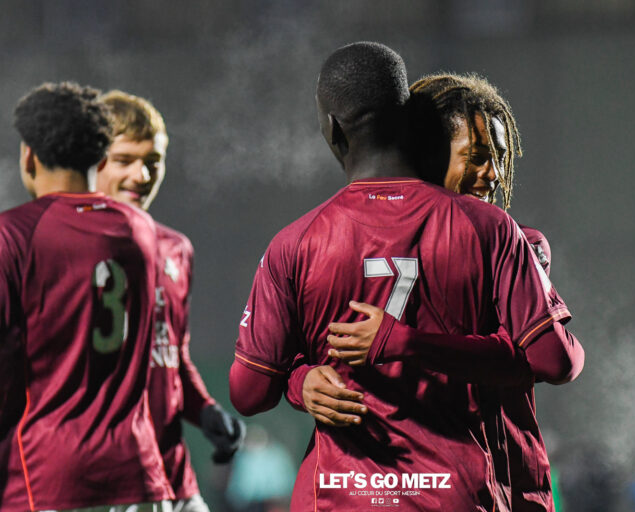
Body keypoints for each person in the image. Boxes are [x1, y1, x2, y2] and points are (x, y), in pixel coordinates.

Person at [229, 42, 573, 511]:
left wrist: (399, 344)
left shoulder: (298, 242)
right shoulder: (491, 233)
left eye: (499, 156)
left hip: (352, 495)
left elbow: (249, 391)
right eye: (476, 155)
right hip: (462, 491)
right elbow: (553, 359)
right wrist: (301, 378)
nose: (493, 173)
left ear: (332, 126)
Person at [0, 82, 172, 511]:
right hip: (139, 477)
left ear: (28, 156)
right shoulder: (141, 230)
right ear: (100, 158)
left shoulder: (14, 234)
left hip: (45, 478)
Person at [96, 90, 245, 512]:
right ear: (93, 160)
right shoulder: (57, 248)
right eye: (124, 160)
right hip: (102, 486)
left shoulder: (175, 249)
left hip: (174, 478)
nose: (141, 175)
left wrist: (205, 410)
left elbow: (172, 355)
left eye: (153, 161)